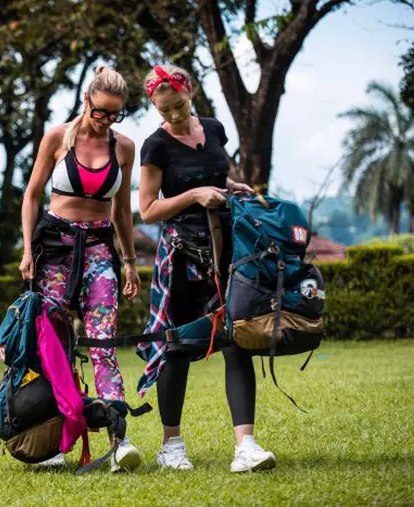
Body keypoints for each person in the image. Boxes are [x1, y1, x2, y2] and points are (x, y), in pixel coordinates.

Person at [136, 64, 274, 473]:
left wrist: (231, 187)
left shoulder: (213, 129)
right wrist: (194, 195)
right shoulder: (155, 146)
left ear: (190, 91)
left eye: (179, 105)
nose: (174, 115)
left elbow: (216, 175)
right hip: (182, 255)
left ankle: (245, 446)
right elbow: (148, 209)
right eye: (164, 110)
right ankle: (171, 445)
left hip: (225, 247)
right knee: (176, 345)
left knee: (235, 338)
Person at [20, 65, 141, 471]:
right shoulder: (57, 138)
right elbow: (31, 196)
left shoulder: (124, 147)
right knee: (52, 346)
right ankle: (53, 442)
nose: (106, 120)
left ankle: (118, 441)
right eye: (100, 111)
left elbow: (122, 212)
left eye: (115, 114)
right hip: (55, 248)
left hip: (98, 251)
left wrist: (129, 262)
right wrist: (27, 250)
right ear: (86, 100)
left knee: (103, 343)